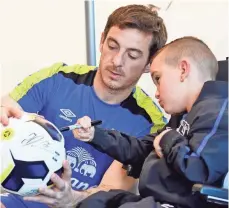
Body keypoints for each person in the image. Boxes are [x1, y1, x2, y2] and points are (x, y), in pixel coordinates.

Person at [0, 4, 168, 208]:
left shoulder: (151, 123)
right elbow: (5, 113)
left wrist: (71, 199)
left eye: (132, 55)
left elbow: (110, 189)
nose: (117, 61)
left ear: (150, 63)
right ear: (101, 41)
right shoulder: (56, 78)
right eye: (112, 46)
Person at [73, 36, 228, 208]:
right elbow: (143, 150)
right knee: (96, 202)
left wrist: (169, 139)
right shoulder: (182, 115)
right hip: (156, 200)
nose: (156, 93)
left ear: (183, 70)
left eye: (158, 78)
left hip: (182, 204)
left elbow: (199, 170)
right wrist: (96, 135)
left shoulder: (219, 111)